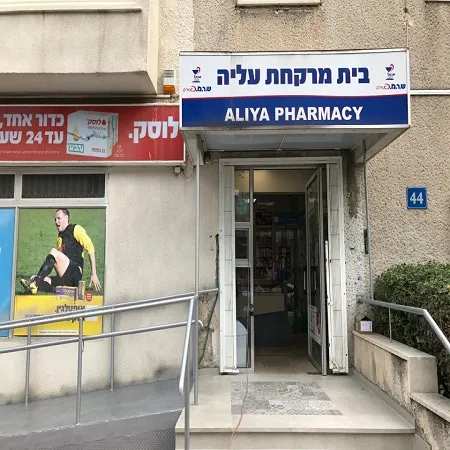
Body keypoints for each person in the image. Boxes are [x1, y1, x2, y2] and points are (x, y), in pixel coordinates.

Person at [21, 209, 101, 295]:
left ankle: (36, 282)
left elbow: (90, 247)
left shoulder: (76, 229)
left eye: (59, 218)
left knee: (53, 253)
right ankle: (65, 291)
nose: (56, 221)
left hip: (75, 273)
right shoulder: (59, 238)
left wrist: (94, 273)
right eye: (55, 219)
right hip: (65, 276)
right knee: (33, 277)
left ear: (66, 218)